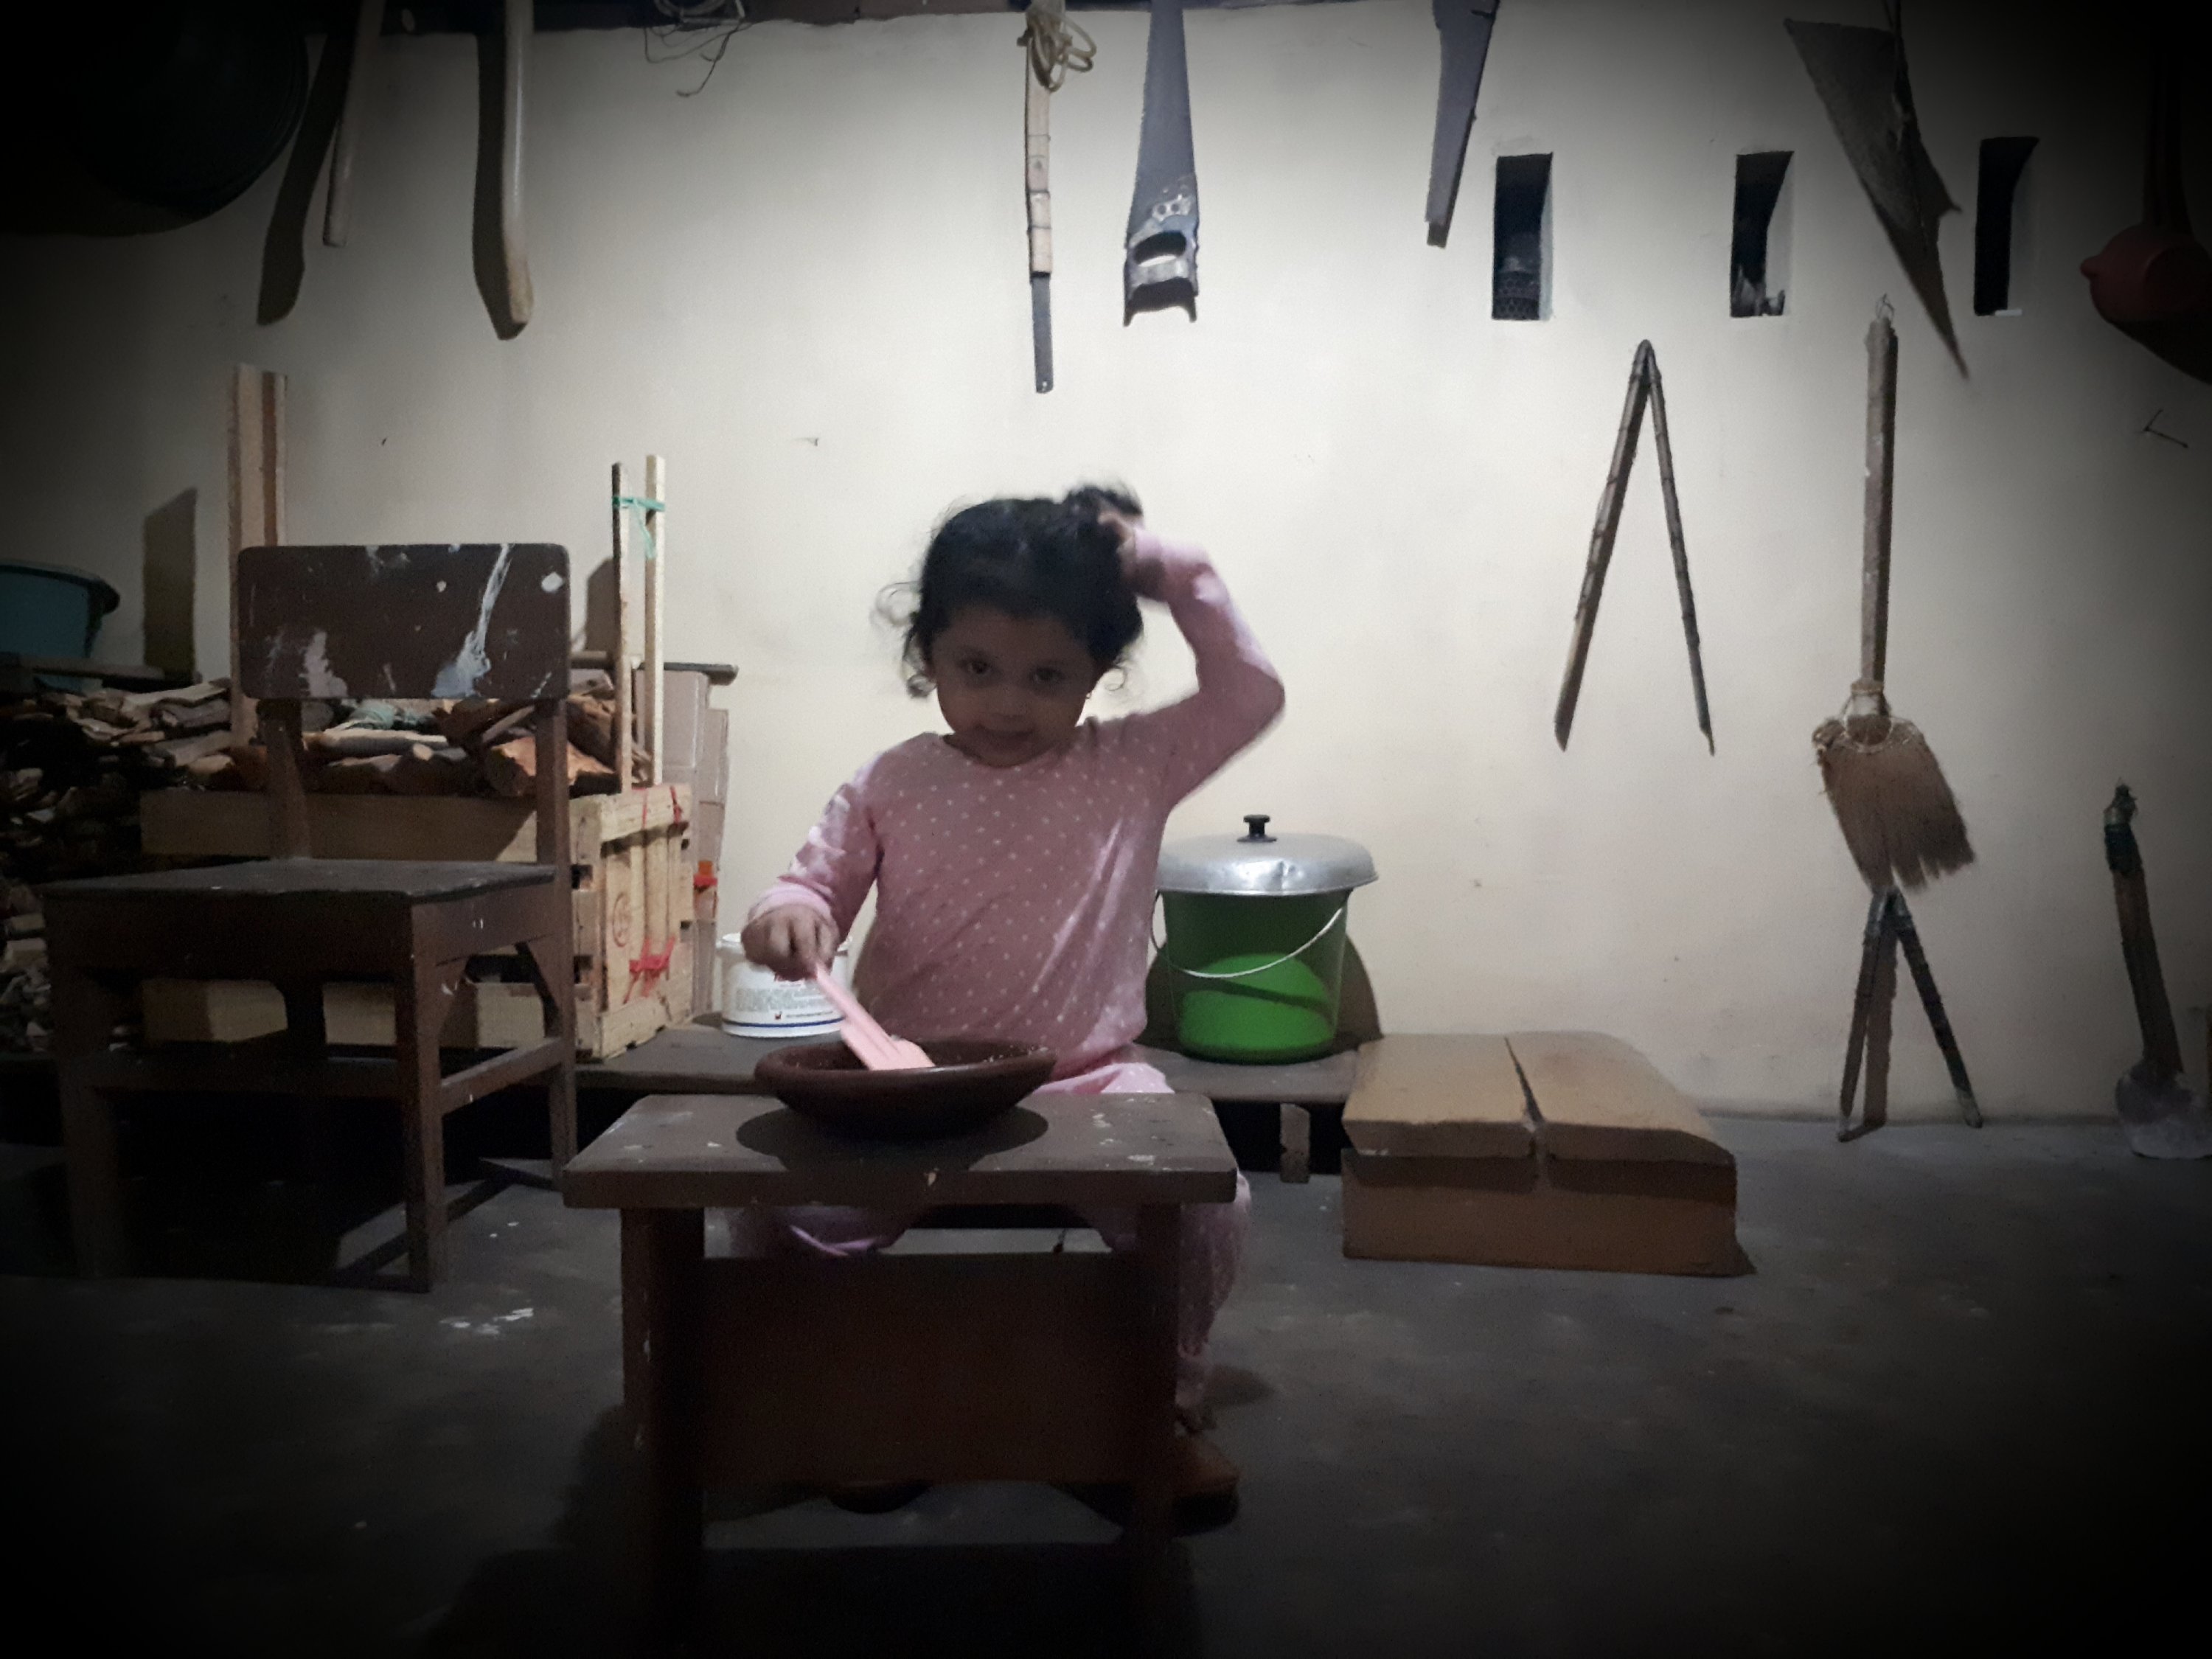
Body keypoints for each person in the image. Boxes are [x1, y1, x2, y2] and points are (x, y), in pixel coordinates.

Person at [738, 482, 1285, 1514]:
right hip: (904, 1087)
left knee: (1212, 1207)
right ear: (927, 655)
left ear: (1098, 673)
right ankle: (845, 1398)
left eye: (1048, 676)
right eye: (976, 668)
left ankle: (1157, 1405)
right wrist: (789, 917)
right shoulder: (892, 781)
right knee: (783, 1211)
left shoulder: (1135, 763)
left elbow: (1251, 691)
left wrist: (1171, 568)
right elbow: (809, 886)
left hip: (1087, 1082)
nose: (1007, 703)